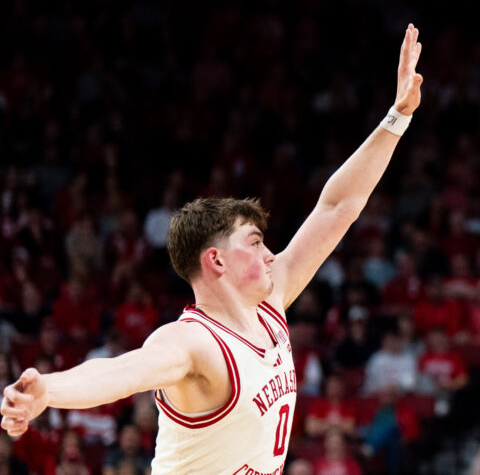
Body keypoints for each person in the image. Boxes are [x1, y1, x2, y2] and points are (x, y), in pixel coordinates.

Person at [1, 25, 426, 474]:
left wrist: (396, 119)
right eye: (256, 242)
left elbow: (338, 206)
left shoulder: (271, 298)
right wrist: (48, 389)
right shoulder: (193, 342)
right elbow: (120, 372)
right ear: (216, 260)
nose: (269, 255)